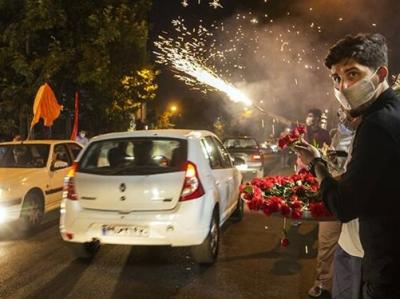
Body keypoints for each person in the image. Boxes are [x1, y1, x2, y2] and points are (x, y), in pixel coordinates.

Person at [295, 33, 400, 299]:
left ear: (380, 73)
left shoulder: (377, 125)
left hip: (386, 266)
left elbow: (345, 206)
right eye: (337, 78)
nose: (343, 87)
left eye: (352, 74)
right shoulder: (391, 111)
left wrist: (315, 163)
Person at [304, 108, 340, 299]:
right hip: (324, 183)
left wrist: (319, 165)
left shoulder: (327, 135)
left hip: (335, 187)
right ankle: (324, 284)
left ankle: (328, 285)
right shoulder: (304, 131)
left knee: (330, 243)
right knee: (326, 242)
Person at [330, 109, 363, 299]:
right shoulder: (352, 131)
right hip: (346, 241)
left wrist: (317, 168)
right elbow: (339, 166)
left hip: (366, 248)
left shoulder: (381, 130)